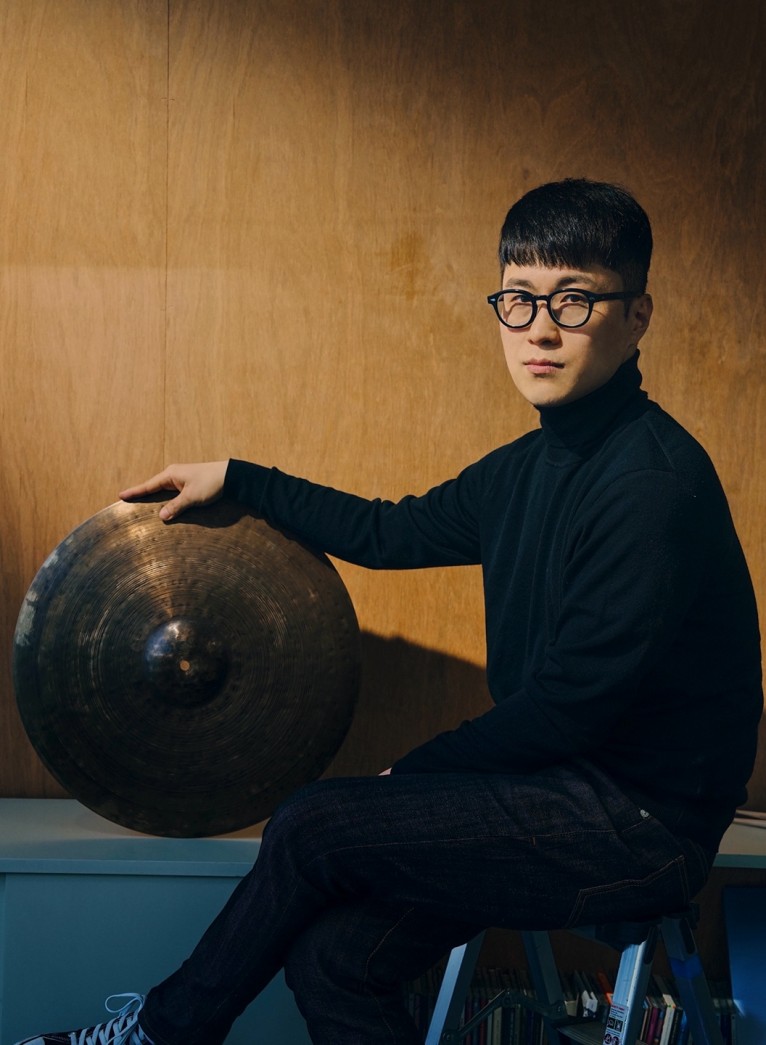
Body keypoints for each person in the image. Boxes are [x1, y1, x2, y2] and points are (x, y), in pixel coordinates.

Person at [18, 179, 762, 1045]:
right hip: (552, 791)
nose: (540, 329)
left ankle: (161, 1032)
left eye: (574, 300)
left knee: (312, 821)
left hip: (637, 825)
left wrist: (412, 773)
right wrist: (240, 476)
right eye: (519, 299)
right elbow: (387, 530)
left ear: (636, 317)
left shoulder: (652, 486)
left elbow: (571, 705)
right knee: (336, 959)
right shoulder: (523, 469)